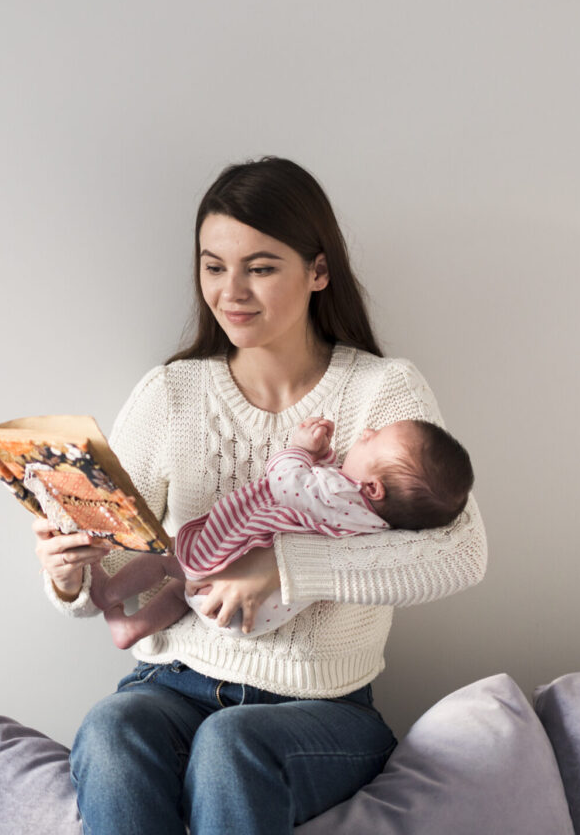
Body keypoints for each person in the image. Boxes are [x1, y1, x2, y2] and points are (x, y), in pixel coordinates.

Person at [32, 157, 487, 834]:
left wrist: (284, 567)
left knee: (230, 746)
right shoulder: (170, 394)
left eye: (261, 267)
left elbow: (460, 557)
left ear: (319, 271)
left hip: (320, 707)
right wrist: (69, 577)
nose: (231, 291)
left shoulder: (382, 393)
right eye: (213, 267)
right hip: (170, 685)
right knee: (110, 729)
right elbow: (123, 576)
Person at [90, 414, 474, 649]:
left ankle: (109, 592)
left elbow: (288, 483)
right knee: (181, 591)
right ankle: (132, 627)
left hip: (229, 577)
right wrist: (324, 458)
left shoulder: (343, 494)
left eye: (372, 439)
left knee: (166, 559)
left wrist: (299, 449)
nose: (367, 430)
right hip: (257, 615)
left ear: (373, 489)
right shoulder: (371, 520)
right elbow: (318, 494)